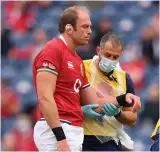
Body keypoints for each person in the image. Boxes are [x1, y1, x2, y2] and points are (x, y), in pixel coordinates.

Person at [32, 6, 141, 151]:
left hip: (73, 129)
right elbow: (45, 97)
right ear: (69, 29)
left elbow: (95, 102)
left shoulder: (77, 61)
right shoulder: (53, 50)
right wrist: (61, 139)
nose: (89, 31)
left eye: (89, 26)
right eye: (84, 26)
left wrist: (124, 98)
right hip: (58, 129)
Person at [82, 32, 139, 151]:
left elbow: (132, 118)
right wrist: (81, 110)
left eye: (115, 57)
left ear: (120, 56)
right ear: (98, 50)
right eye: (107, 55)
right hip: (81, 137)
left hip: (109, 141)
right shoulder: (81, 68)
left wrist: (118, 113)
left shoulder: (124, 78)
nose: (111, 60)